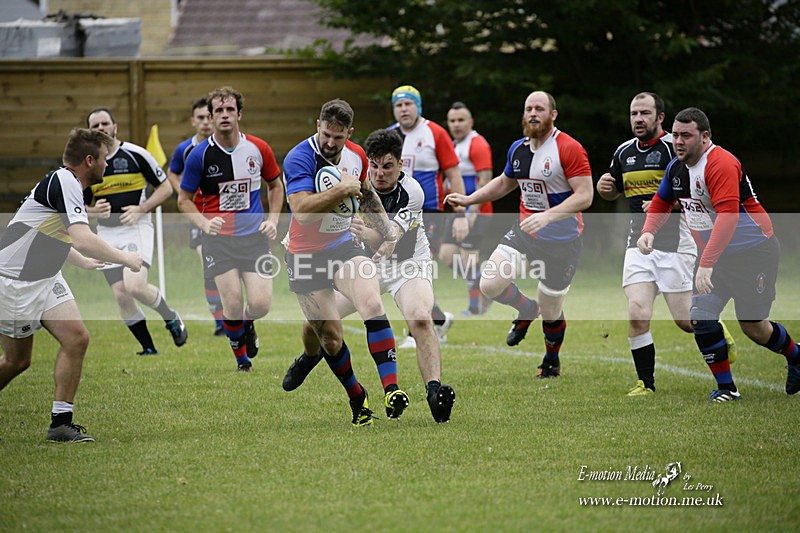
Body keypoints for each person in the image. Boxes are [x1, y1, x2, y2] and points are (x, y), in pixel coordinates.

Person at [282, 128, 456, 423]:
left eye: (388, 166)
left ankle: (433, 390)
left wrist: (364, 230)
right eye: (374, 166)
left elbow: (390, 240)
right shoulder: (351, 180)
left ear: (401, 165)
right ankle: (311, 357)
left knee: (420, 318)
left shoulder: (412, 192)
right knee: (318, 326)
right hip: (364, 264)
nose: (379, 173)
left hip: (406, 264)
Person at [637, 107, 800, 401]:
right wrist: (648, 231)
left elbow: (728, 218)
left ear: (705, 136)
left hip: (753, 252)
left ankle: (796, 355)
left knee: (753, 326)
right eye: (675, 135)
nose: (678, 141)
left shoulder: (721, 163)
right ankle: (727, 387)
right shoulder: (677, 169)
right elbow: (661, 201)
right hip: (716, 254)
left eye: (686, 135)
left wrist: (706, 263)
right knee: (700, 316)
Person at [0, 128, 143, 442]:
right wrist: (126, 259)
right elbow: (82, 237)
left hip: (46, 277)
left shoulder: (74, 186)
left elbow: (53, 234)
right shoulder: (65, 180)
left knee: (77, 338)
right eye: (104, 159)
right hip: (15, 282)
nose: (108, 165)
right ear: (89, 160)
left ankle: (60, 424)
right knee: (17, 362)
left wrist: (84, 261)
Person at [597, 92, 738, 396]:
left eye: (645, 113)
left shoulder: (675, 149)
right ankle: (645, 384)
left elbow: (693, 195)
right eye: (634, 113)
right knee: (637, 311)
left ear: (660, 117)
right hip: (639, 243)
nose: (638, 119)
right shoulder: (623, 152)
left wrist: (664, 207)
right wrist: (604, 188)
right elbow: (614, 193)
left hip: (677, 243)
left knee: (687, 322)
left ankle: (716, 329)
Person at [446, 91, 593, 378]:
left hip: (562, 242)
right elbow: (504, 183)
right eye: (528, 109)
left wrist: (548, 217)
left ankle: (551, 360)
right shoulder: (518, 149)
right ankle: (526, 309)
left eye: (540, 108)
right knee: (490, 282)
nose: (533, 113)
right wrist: (468, 199)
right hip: (525, 232)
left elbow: (585, 195)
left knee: (551, 309)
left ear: (553, 114)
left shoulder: (568, 148)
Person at [282, 99, 408, 426]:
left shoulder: (356, 157)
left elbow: (366, 193)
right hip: (305, 254)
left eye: (338, 137)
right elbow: (301, 210)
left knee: (370, 302)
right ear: (317, 126)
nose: (330, 143)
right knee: (329, 338)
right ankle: (357, 397)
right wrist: (340, 190)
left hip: (343, 247)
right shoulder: (299, 158)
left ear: (349, 134)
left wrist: (386, 231)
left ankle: (391, 389)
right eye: (326, 134)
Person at [177, 86, 284, 372]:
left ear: (239, 114)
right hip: (219, 241)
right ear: (210, 117)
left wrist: (272, 220)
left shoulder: (259, 149)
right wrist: (203, 223)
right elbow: (183, 200)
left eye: (230, 110)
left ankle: (248, 326)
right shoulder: (198, 156)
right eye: (219, 111)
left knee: (261, 305)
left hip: (254, 239)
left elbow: (276, 186)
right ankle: (242, 362)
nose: (225, 115)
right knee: (233, 305)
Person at [85, 107, 188, 355]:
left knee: (134, 285)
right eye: (95, 126)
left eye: (104, 124)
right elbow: (75, 205)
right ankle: (149, 349)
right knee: (121, 294)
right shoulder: (87, 164)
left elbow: (165, 188)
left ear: (115, 127)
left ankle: (170, 317)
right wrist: (93, 212)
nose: (101, 129)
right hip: (107, 234)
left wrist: (142, 209)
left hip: (136, 228)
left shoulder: (135, 154)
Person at [389, 85, 468, 347]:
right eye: (399, 105)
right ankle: (439, 319)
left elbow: (453, 174)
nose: (404, 109)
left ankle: (417, 330)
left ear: (418, 107)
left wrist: (459, 214)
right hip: (399, 213)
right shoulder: (389, 135)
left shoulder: (435, 133)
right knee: (401, 265)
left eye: (408, 104)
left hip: (430, 212)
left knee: (414, 265)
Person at [166, 96, 224, 336]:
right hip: (199, 216)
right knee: (208, 263)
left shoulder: (224, 146)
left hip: (224, 215)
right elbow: (172, 173)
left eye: (209, 117)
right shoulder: (185, 149)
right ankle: (220, 320)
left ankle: (235, 313)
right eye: (200, 118)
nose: (205, 123)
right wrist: (185, 193)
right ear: (193, 121)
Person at [442, 101, 494, 316]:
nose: (456, 124)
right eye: (452, 121)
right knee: (447, 255)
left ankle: (475, 308)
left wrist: (472, 212)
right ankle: (488, 282)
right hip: (457, 213)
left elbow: (486, 179)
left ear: (471, 122)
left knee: (468, 258)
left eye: (461, 120)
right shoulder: (453, 145)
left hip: (477, 212)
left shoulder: (477, 143)